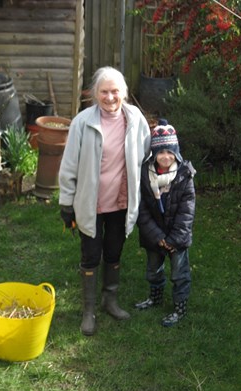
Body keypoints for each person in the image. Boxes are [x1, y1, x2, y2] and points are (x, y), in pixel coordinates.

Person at [58, 66, 151, 336]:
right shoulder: (82, 122)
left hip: (121, 203)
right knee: (90, 255)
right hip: (91, 204)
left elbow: (145, 155)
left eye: (115, 91)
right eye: (104, 92)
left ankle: (109, 300)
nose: (110, 97)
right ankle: (89, 311)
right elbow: (69, 165)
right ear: (95, 94)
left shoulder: (135, 119)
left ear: (123, 92)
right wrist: (66, 202)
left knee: (114, 252)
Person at [134, 119, 196, 327]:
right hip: (155, 237)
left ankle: (180, 307)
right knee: (153, 269)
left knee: (180, 274)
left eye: (170, 152)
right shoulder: (145, 174)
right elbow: (141, 210)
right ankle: (155, 297)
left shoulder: (184, 175)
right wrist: (158, 237)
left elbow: (186, 212)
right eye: (161, 152)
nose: (165, 157)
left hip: (177, 238)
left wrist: (173, 239)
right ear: (154, 153)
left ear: (176, 153)